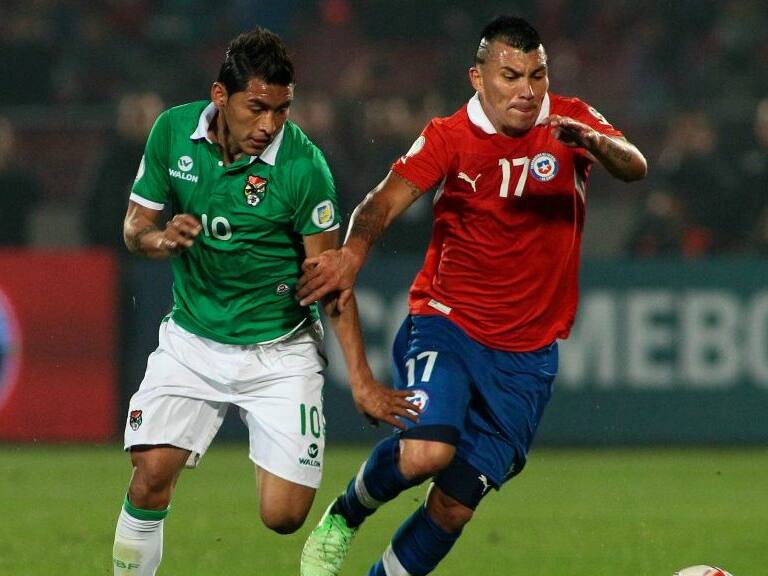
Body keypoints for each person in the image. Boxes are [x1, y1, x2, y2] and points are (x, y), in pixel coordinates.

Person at [297, 16, 647, 576]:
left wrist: (596, 143)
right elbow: (381, 203)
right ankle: (344, 515)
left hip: (528, 356)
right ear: (478, 78)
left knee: (454, 506)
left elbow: (636, 166)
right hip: (449, 324)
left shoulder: (571, 120)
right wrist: (352, 256)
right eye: (510, 76)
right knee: (426, 452)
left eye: (537, 75)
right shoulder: (449, 135)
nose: (526, 91)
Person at [112, 27, 417, 576]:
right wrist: (161, 240)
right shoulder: (171, 132)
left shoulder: (304, 169)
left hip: (280, 349)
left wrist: (363, 380)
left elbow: (330, 282)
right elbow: (135, 227)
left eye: (282, 109)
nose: (269, 125)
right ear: (220, 96)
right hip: (193, 339)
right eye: (257, 108)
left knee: (283, 516)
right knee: (150, 474)